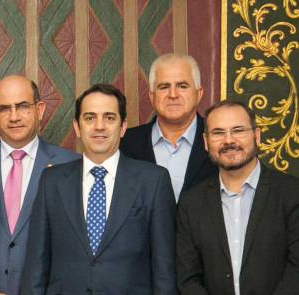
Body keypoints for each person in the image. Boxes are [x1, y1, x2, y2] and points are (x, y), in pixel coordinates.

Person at [21, 84, 177, 294]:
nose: (99, 126)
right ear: (77, 127)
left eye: (109, 118)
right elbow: (36, 266)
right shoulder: (52, 181)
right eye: (90, 118)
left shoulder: (153, 181)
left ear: (123, 127)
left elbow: (164, 270)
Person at [0, 75, 79, 295]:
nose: (14, 117)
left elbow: (75, 247)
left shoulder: (70, 165)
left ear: (39, 110)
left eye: (23, 106)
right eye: (5, 109)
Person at [176, 100, 299, 295]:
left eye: (238, 130)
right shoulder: (191, 204)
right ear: (206, 142)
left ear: (257, 135)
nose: (228, 140)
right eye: (218, 133)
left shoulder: (292, 193)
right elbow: (188, 278)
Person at [120, 53, 217, 199]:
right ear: (152, 96)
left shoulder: (219, 139)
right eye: (164, 87)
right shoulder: (124, 143)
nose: (173, 94)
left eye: (182, 86)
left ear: (199, 94)